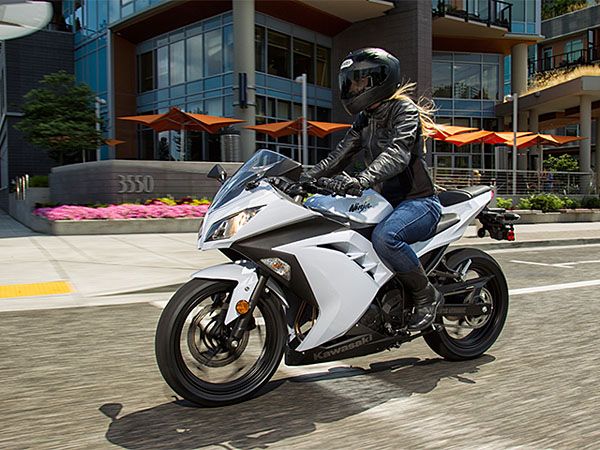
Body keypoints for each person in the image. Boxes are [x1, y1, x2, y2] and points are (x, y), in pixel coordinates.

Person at [300, 48, 443, 331]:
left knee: (386, 237)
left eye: (359, 81)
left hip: (418, 202)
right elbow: (339, 156)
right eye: (350, 82)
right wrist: (302, 178)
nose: (353, 88)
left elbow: (397, 154)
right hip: (383, 201)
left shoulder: (404, 111)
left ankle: (426, 295)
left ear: (380, 79)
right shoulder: (365, 118)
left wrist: (361, 180)